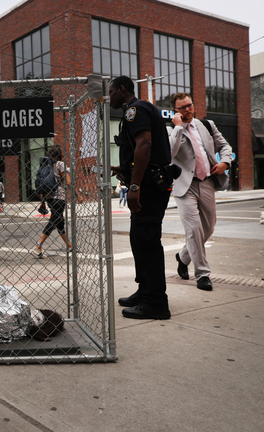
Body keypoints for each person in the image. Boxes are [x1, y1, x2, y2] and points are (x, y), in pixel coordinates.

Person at [108, 76, 173, 320]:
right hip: (146, 184)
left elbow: (144, 145)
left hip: (148, 187)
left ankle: (156, 302)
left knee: (147, 241)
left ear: (122, 89)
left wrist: (134, 185)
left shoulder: (136, 110)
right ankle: (145, 291)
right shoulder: (140, 109)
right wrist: (123, 169)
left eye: (112, 91)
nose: (109, 95)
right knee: (139, 239)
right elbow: (142, 149)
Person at [168, 92, 232, 291]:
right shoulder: (170, 129)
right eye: (183, 107)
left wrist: (225, 162)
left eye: (189, 105)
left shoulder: (207, 125)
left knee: (209, 228)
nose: (187, 110)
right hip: (184, 186)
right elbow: (169, 152)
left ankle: (183, 256)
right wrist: (178, 127)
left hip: (206, 182)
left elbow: (225, 146)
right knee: (194, 229)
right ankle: (203, 274)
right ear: (175, 111)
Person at [33, 145, 71, 257]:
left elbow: (41, 186)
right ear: (59, 154)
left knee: (59, 222)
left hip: (49, 198)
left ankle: (70, 246)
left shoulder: (45, 166)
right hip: (59, 198)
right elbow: (68, 181)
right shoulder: (60, 164)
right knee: (54, 220)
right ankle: (38, 245)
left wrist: (42, 201)